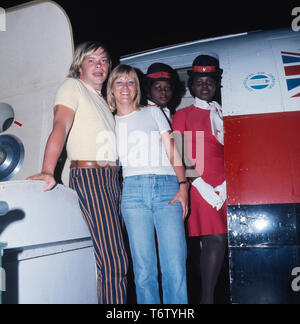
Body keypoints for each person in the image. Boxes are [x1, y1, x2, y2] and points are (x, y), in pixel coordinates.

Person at [27, 41, 128, 304]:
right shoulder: (72, 87)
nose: (99, 65)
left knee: (106, 259)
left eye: (104, 60)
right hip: (90, 177)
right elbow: (60, 125)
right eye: (91, 59)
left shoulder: (104, 101)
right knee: (114, 260)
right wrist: (48, 170)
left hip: (111, 180)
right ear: (79, 65)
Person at [107, 64, 189, 304]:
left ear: (137, 88)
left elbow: (174, 151)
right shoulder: (108, 122)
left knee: (175, 266)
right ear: (111, 88)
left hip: (167, 188)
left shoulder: (153, 112)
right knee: (144, 271)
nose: (125, 87)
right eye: (119, 82)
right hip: (132, 193)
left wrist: (183, 186)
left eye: (130, 82)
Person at [172, 55, 227, 304]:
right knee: (213, 238)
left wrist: (226, 185)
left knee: (221, 240)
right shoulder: (182, 115)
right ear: (191, 85)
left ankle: (210, 296)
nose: (205, 86)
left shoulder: (224, 112)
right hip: (199, 185)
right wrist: (201, 185)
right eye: (199, 81)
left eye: (210, 81)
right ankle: (207, 299)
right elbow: (180, 153)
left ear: (216, 84)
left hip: (225, 186)